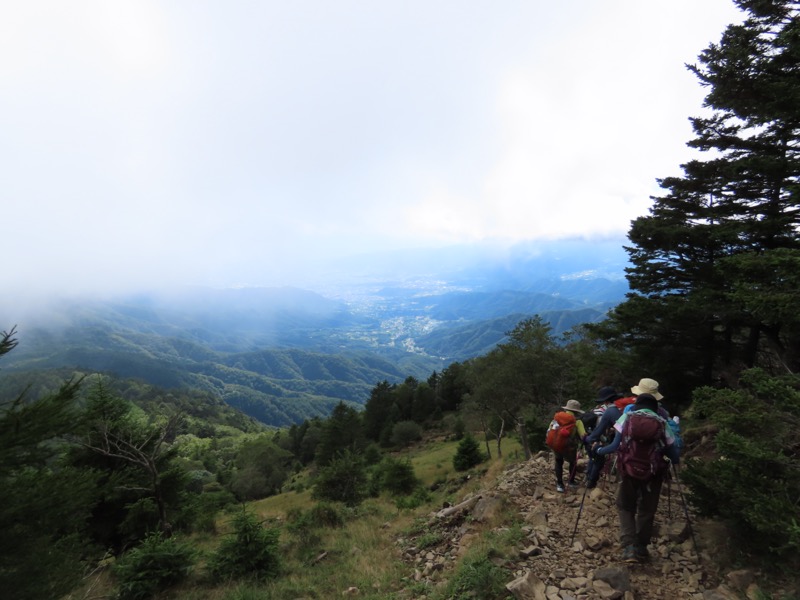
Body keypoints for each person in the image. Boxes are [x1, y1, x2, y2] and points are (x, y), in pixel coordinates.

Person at [594, 393, 680, 562]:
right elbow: (674, 454)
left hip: (628, 470)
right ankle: (641, 547)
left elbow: (615, 445)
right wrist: (668, 458)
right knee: (647, 510)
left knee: (625, 506)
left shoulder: (627, 417)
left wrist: (598, 450)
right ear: (655, 407)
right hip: (653, 473)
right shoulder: (662, 422)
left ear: (637, 405)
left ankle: (629, 547)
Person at [583, 386, 622, 488]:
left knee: (594, 459)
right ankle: (591, 482)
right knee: (598, 460)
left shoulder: (604, 411)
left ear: (605, 401)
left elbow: (598, 430)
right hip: (607, 440)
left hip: (595, 437)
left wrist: (587, 439)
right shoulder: (617, 410)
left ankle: (589, 480)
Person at [546, 399, 586, 493]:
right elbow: (583, 436)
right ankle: (571, 481)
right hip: (569, 447)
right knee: (573, 462)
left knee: (558, 462)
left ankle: (560, 484)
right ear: (576, 411)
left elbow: (549, 430)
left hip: (556, 444)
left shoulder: (556, 418)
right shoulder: (577, 421)